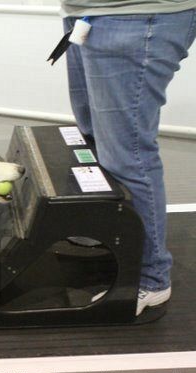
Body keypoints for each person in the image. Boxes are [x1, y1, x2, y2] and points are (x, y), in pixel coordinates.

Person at [60, 0, 196, 315]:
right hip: (87, 14)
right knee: (92, 133)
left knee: (128, 155)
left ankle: (151, 278)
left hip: (135, 16)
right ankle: (106, 233)